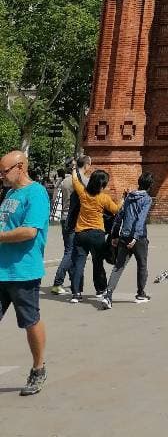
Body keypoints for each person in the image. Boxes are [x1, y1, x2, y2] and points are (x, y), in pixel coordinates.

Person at [0, 149, 51, 396]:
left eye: (4, 171)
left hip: (23, 272)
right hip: (1, 269)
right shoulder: (10, 193)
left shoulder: (37, 193)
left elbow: (30, 231)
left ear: (20, 167)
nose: (2, 176)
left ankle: (38, 368)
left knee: (30, 321)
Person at [99, 172, 154, 308]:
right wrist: (135, 237)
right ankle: (140, 294)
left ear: (139, 182)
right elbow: (141, 218)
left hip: (124, 235)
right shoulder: (147, 199)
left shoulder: (129, 196)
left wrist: (115, 235)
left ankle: (108, 295)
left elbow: (119, 216)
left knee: (118, 266)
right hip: (139, 237)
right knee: (142, 265)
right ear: (150, 186)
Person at [69, 165, 120, 303]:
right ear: (102, 185)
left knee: (79, 263)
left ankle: (76, 293)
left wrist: (74, 168)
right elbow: (116, 210)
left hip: (80, 233)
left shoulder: (83, 193)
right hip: (97, 233)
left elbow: (75, 180)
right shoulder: (104, 198)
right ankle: (100, 290)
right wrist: (123, 200)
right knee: (98, 263)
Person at [50, 153, 90, 294]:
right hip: (76, 219)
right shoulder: (84, 181)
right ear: (86, 165)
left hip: (64, 217)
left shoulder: (64, 182)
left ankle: (75, 283)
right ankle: (58, 281)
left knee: (70, 250)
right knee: (72, 251)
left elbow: (56, 199)